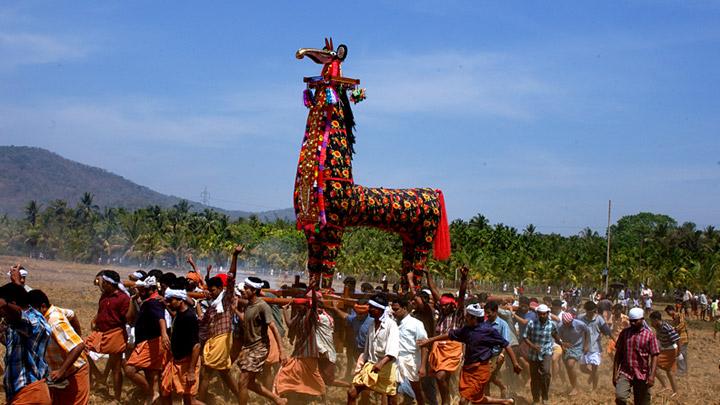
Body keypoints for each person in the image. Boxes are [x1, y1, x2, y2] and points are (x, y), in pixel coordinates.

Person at [419, 303, 522, 405]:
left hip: (480, 370)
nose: (465, 318)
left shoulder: (488, 331)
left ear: (474, 318)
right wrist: (430, 340)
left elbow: (506, 344)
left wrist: (515, 363)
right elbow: (449, 335)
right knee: (477, 400)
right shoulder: (466, 330)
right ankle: (506, 401)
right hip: (467, 370)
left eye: (468, 316)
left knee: (463, 400)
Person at [28, 289, 90, 405]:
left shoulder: (54, 322)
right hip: (58, 373)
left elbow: (78, 346)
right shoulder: (53, 310)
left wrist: (62, 370)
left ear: (43, 307)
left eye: (32, 311)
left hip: (74, 370)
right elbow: (72, 314)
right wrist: (76, 336)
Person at [0, 270, 52, 405]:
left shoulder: (34, 321)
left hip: (29, 393)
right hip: (24, 394)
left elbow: (23, 317)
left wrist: (5, 304)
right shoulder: (17, 325)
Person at [198, 245, 243, 402]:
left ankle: (200, 401)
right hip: (214, 340)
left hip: (221, 339)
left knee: (206, 373)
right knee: (223, 373)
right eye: (209, 290)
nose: (210, 292)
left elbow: (231, 277)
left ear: (220, 289)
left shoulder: (225, 298)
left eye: (212, 290)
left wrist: (235, 255)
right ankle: (241, 398)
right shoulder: (212, 305)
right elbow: (203, 324)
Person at [238, 275, 287, 405]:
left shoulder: (263, 307)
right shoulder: (249, 305)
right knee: (249, 383)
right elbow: (248, 321)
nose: (244, 290)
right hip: (248, 348)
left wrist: (282, 350)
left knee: (242, 382)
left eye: (247, 288)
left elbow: (274, 328)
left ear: (254, 290)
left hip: (259, 348)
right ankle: (276, 399)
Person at [84, 270, 129, 402]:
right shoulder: (104, 295)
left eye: (104, 282)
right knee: (81, 348)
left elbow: (125, 318)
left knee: (116, 367)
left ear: (109, 283)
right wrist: (95, 320)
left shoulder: (123, 298)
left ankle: (117, 398)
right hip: (101, 333)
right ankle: (98, 376)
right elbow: (101, 311)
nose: (101, 284)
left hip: (115, 333)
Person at [426, 267, 469, 405]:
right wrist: (428, 274)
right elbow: (433, 290)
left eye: (446, 306)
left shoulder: (458, 314)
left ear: (452, 305)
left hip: (453, 349)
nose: (443, 307)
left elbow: (461, 294)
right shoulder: (442, 311)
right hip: (438, 348)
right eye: (442, 305)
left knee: (440, 377)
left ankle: (446, 402)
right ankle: (448, 398)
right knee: (442, 378)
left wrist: (463, 278)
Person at [347, 294, 399, 405]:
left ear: (380, 310)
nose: (369, 310)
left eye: (372, 308)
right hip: (370, 366)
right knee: (352, 393)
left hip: (386, 368)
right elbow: (367, 349)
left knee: (390, 398)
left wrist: (381, 363)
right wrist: (361, 363)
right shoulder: (372, 324)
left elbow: (393, 350)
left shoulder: (391, 325)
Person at [124, 275, 169, 405]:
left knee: (130, 370)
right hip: (149, 342)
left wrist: (164, 334)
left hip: (150, 343)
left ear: (151, 289)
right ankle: (154, 398)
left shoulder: (153, 302)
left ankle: (150, 393)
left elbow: (161, 318)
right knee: (152, 374)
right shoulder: (151, 301)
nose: (141, 292)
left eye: (143, 290)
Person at [160, 287, 202, 405]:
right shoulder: (180, 313)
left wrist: (191, 371)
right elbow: (175, 315)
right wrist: (166, 305)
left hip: (187, 363)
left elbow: (196, 346)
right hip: (176, 361)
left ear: (180, 300)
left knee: (190, 400)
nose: (169, 302)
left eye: (170, 300)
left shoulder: (189, 317)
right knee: (166, 391)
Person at [613, 307, 660, 405]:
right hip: (626, 371)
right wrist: (615, 373)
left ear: (642, 320)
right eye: (631, 321)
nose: (633, 323)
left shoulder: (650, 336)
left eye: (635, 321)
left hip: (642, 373)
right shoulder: (624, 333)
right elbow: (618, 354)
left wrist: (652, 376)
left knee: (642, 402)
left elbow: (655, 356)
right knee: (620, 396)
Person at [522, 304, 561, 405]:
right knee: (534, 377)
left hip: (546, 352)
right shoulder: (531, 324)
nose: (542, 316)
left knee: (546, 374)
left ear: (548, 313)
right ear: (537, 314)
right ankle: (536, 399)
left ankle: (545, 397)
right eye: (540, 314)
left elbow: (555, 334)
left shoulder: (552, 324)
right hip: (533, 353)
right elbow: (525, 337)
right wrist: (532, 346)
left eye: (544, 314)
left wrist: (561, 343)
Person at [391, 295, 428, 405]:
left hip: (411, 360)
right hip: (396, 359)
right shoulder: (393, 323)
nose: (394, 312)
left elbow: (424, 345)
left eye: (396, 309)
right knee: (393, 389)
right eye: (393, 309)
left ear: (404, 308)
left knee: (415, 389)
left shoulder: (416, 324)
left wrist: (422, 367)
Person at [577, 301, 611, 390]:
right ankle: (592, 375)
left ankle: (594, 389)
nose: (589, 313)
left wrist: (615, 340)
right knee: (582, 368)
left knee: (594, 367)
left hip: (595, 346)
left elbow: (607, 331)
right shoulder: (580, 318)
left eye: (591, 311)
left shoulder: (599, 319)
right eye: (587, 311)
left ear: (595, 310)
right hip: (583, 347)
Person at [484, 300, 515, 399]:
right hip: (485, 354)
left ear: (495, 311)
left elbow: (505, 341)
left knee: (487, 376)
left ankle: (501, 388)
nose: (487, 315)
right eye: (486, 312)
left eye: (489, 312)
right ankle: (488, 396)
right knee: (488, 376)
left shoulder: (503, 324)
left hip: (496, 354)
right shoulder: (485, 324)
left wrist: (502, 354)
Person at [557, 312, 588, 397]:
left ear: (572, 321)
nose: (566, 325)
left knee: (570, 364)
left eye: (568, 324)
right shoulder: (560, 326)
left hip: (577, 346)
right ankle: (575, 386)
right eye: (565, 324)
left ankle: (575, 388)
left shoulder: (580, 324)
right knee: (568, 369)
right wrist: (562, 343)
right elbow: (556, 337)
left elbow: (587, 331)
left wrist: (586, 345)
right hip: (566, 348)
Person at [648, 310, 679, 396]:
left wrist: (679, 353)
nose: (651, 323)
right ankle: (672, 390)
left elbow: (677, 339)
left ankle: (668, 387)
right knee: (668, 371)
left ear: (657, 320)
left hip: (671, 350)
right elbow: (658, 338)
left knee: (654, 366)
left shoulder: (666, 327)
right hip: (665, 349)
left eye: (652, 321)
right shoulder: (658, 327)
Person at [664, 305, 689, 376]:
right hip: (678, 338)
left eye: (668, 312)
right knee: (681, 353)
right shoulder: (674, 318)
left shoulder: (679, 315)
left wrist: (675, 329)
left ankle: (682, 370)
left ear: (671, 310)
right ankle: (683, 369)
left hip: (683, 338)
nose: (668, 314)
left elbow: (682, 324)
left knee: (681, 353)